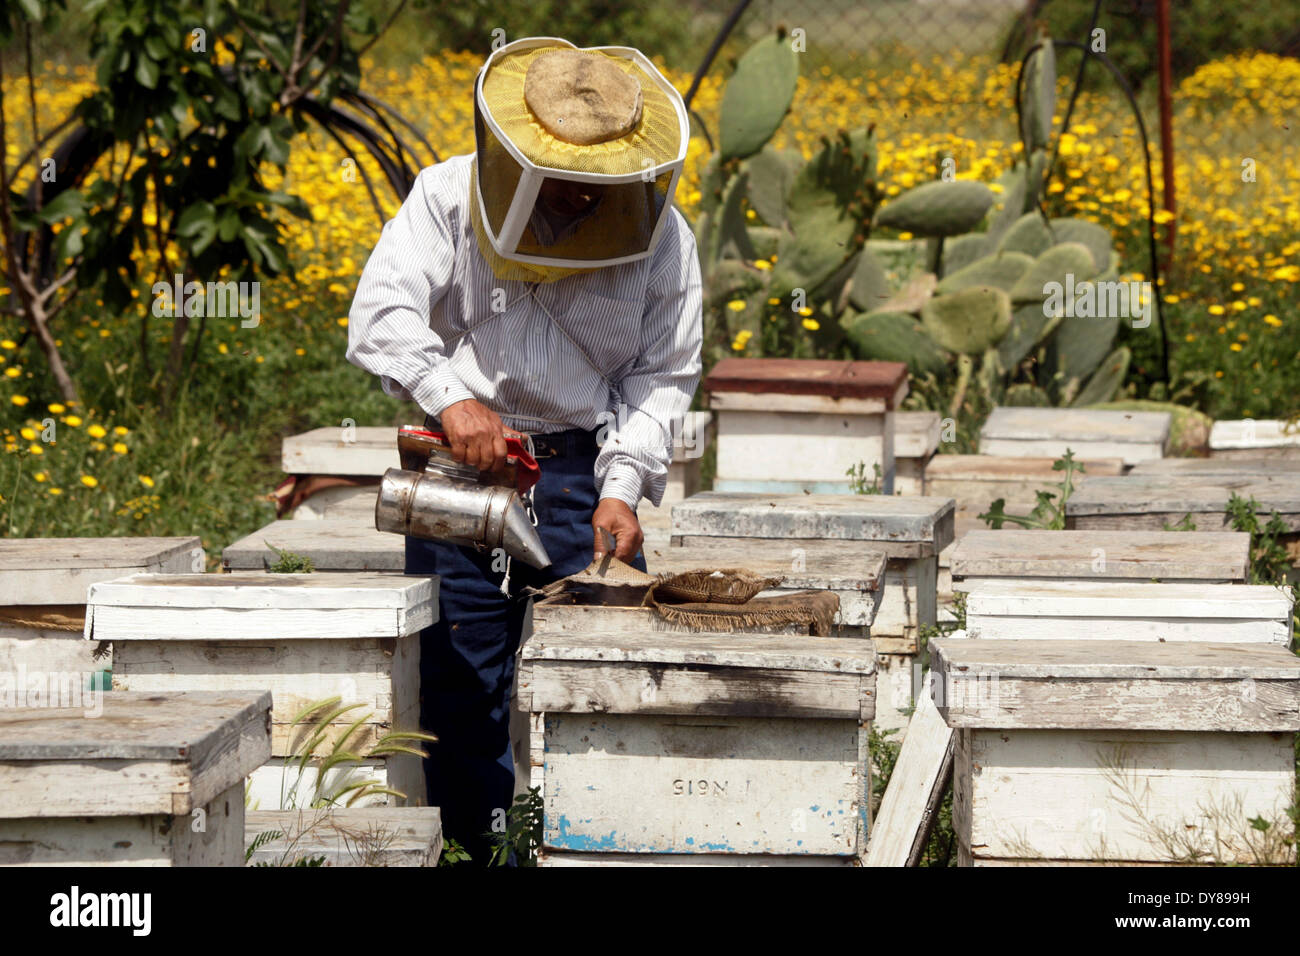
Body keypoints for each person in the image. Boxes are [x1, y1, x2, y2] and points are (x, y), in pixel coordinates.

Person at [346, 37, 702, 864]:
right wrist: (452, 398)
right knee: (461, 688)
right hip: (462, 474)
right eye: (561, 175)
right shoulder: (445, 196)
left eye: (596, 181)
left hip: (581, 474)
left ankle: (593, 851)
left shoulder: (664, 236)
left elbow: (663, 372)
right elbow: (382, 313)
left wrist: (622, 486)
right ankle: (480, 853)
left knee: (600, 683)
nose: (577, 197)